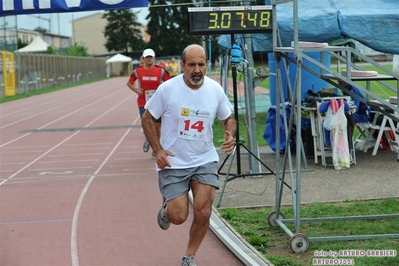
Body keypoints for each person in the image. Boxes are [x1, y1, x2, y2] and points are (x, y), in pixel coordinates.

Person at [142, 44, 236, 266]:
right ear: (182, 65)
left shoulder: (215, 90)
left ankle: (189, 256)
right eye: (192, 64)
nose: (197, 70)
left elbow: (228, 119)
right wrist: (158, 151)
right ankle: (167, 210)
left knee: (203, 211)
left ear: (206, 65)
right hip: (173, 162)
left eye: (201, 64)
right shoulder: (167, 89)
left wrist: (229, 134)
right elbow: (148, 118)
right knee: (179, 216)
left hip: (205, 159)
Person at [127, 48, 171, 158]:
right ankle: (150, 140)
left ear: (154, 58)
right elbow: (129, 83)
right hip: (143, 101)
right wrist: (137, 91)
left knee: (157, 126)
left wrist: (164, 93)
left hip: (158, 102)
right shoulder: (138, 71)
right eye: (147, 57)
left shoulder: (161, 71)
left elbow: (170, 83)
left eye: (151, 57)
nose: (149, 59)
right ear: (143, 59)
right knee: (146, 122)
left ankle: (156, 147)